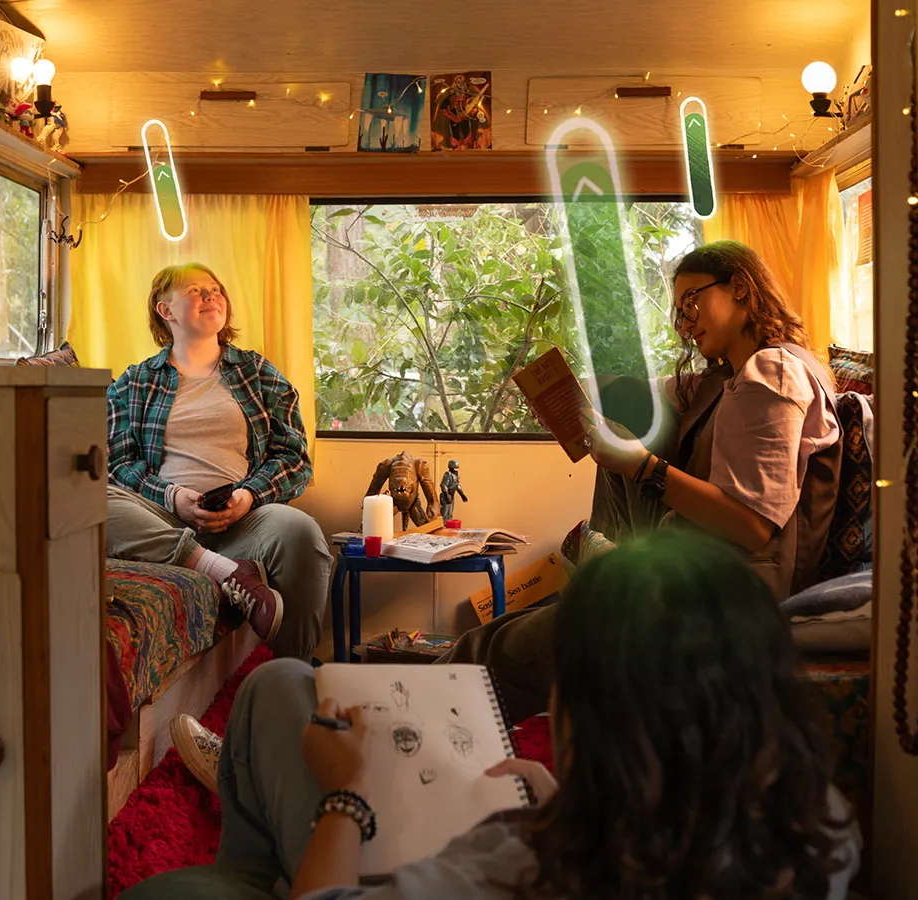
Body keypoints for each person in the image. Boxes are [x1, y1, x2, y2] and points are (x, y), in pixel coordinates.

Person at [171, 240, 842, 792]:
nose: (684, 321)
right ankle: (328, 748)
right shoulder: (724, 377)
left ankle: (280, 767)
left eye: (693, 301)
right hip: (686, 577)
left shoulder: (770, 374)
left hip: (718, 596)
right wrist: (579, 400)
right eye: (676, 312)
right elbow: (649, 398)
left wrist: (643, 466)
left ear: (744, 291)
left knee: (494, 650)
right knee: (503, 632)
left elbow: (755, 525)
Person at [121, 531, 860, 900]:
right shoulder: (820, 826)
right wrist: (571, 801)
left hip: (366, 861)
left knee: (278, 688)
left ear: (594, 722)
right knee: (284, 690)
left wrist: (345, 796)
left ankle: (261, 826)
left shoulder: (518, 869)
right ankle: (257, 804)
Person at [106, 262, 333, 670]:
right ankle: (218, 570)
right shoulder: (133, 382)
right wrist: (174, 498)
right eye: (195, 290)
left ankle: (292, 678)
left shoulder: (257, 373)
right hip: (161, 521)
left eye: (216, 290)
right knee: (90, 500)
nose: (212, 296)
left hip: (243, 523)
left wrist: (249, 496)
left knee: (303, 533)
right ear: (165, 311)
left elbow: (294, 458)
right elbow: (118, 464)